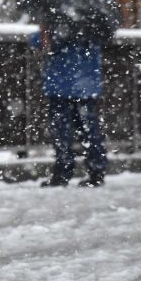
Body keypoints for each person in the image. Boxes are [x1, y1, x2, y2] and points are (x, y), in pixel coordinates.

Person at [30, 26, 108, 187]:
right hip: (86, 86)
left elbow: (40, 43)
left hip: (60, 86)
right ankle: (96, 171)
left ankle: (63, 172)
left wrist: (40, 33)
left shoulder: (59, 20)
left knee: (61, 132)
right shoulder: (94, 22)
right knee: (89, 130)